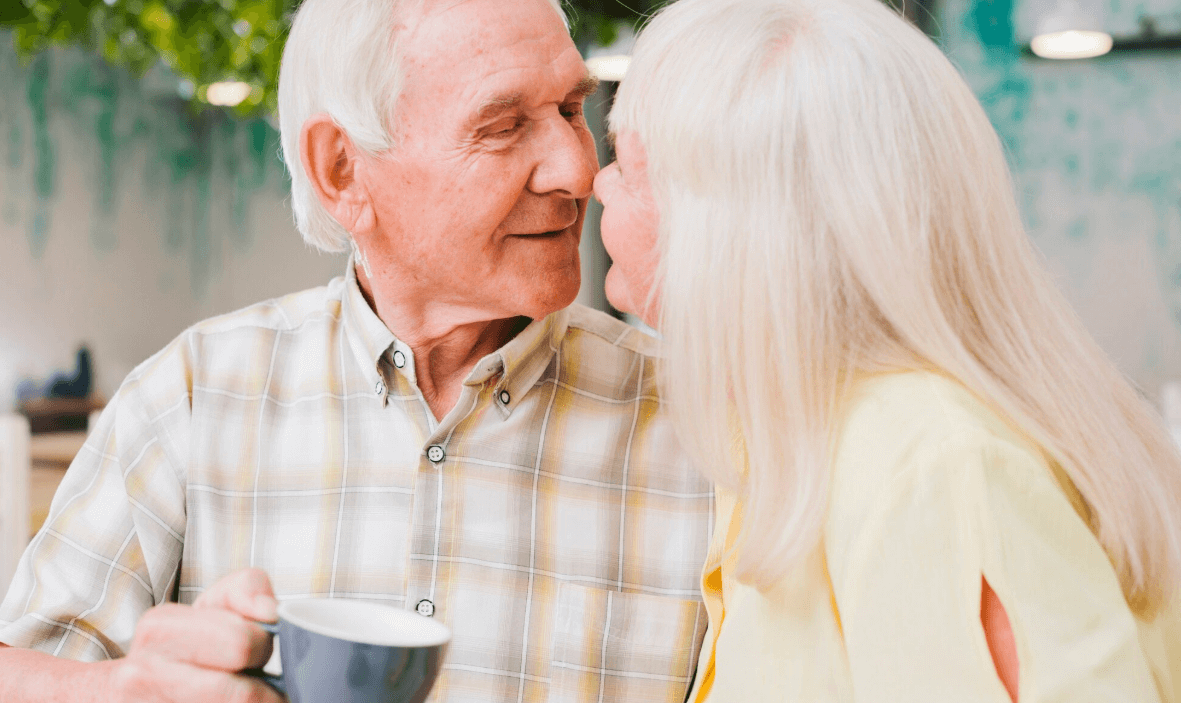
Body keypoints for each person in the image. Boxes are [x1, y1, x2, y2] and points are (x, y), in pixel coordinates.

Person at [0, 0, 714, 701]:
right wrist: (118, 692)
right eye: (502, 127)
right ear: (342, 169)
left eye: (569, 110)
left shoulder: (708, 423)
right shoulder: (190, 392)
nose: (575, 171)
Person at [593, 0, 1181, 699]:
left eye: (626, 167)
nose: (592, 183)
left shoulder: (931, 471)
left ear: (725, 231)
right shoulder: (802, 437)